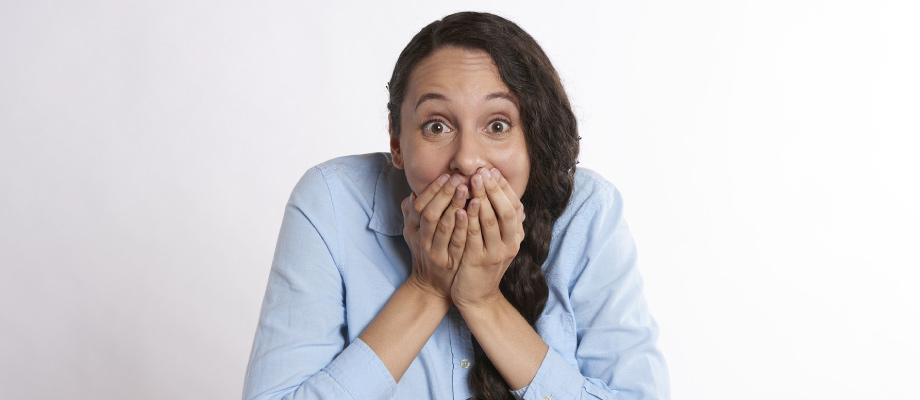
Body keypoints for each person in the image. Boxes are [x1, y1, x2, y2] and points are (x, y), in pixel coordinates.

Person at [243, 11, 669, 400]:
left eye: (498, 125)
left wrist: (484, 303)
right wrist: (426, 288)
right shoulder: (331, 203)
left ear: (532, 139)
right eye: (437, 126)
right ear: (397, 141)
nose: (466, 159)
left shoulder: (589, 213)